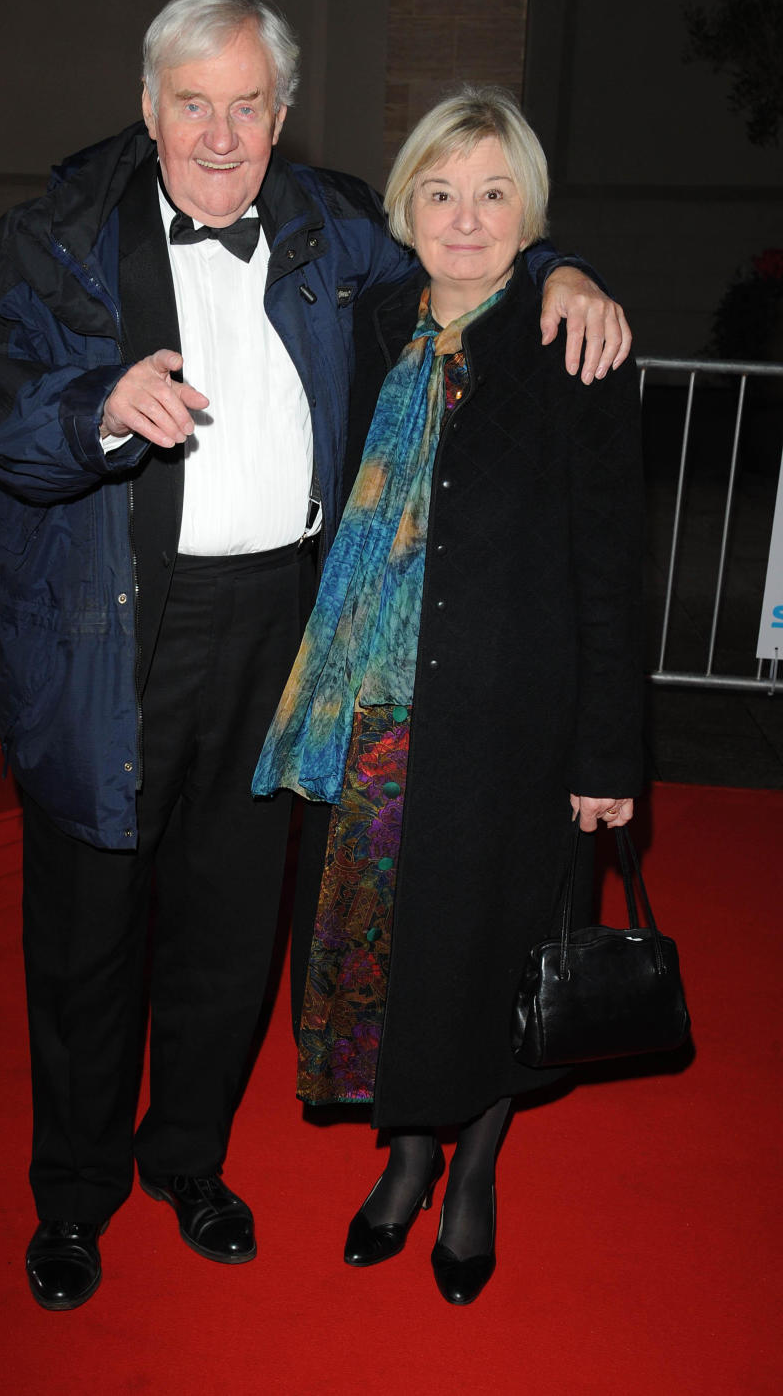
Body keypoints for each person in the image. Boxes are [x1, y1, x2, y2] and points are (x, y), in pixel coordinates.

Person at [0, 0, 630, 1311]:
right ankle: (72, 1196)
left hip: (281, 633)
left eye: (249, 106)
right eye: (194, 103)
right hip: (110, 627)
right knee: (86, 935)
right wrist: (90, 401)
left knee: (229, 929)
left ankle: (186, 1159)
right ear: (148, 106)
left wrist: (559, 264)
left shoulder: (327, 226)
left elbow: (461, 242)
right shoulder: (58, 236)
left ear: (283, 117)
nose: (221, 132)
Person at [253, 84, 644, 1306]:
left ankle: (470, 1170)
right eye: (441, 191)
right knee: (388, 949)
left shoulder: (572, 343)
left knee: (490, 952)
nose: (466, 219)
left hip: (511, 723)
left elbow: (609, 572)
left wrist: (607, 757)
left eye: (494, 194)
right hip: (368, 714)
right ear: (405, 206)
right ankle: (406, 1152)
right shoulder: (370, 325)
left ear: (529, 213)